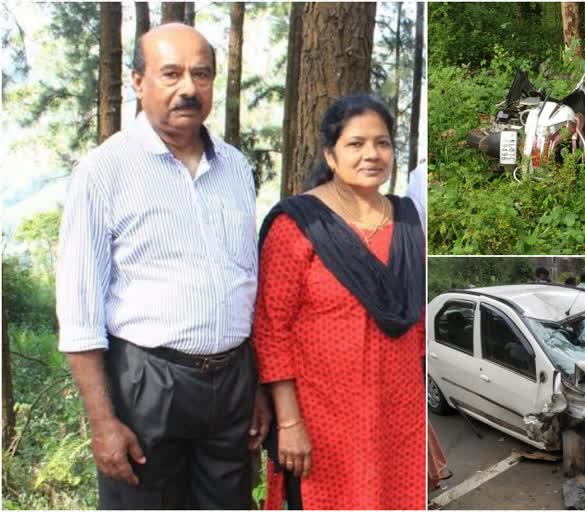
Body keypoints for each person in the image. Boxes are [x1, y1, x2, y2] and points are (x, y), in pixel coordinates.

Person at [55, 24, 270, 509]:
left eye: (201, 74)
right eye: (171, 74)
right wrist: (103, 423)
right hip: (146, 383)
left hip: (232, 382)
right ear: (137, 81)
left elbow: (246, 282)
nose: (188, 88)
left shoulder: (235, 167)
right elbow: (79, 311)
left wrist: (255, 385)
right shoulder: (104, 170)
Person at [253, 94, 425, 510]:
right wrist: (289, 422)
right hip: (321, 419)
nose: (372, 154)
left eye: (382, 143)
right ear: (331, 155)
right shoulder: (298, 223)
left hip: (397, 416)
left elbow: (416, 324)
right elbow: (271, 329)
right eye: (356, 144)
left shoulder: (407, 221)